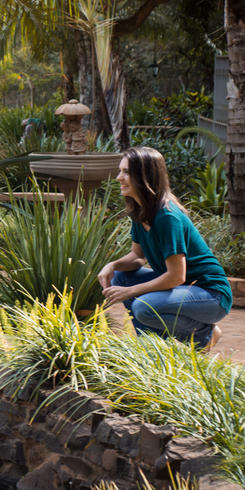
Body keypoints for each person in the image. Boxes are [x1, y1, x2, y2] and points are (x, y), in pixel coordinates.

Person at [97, 146, 231, 349]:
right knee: (120, 277)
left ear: (145, 176)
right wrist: (112, 265)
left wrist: (131, 291)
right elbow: (137, 257)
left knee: (143, 307)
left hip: (211, 295)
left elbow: (176, 276)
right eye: (120, 171)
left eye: (126, 172)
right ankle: (151, 347)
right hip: (183, 289)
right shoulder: (140, 211)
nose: (119, 178)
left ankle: (204, 335)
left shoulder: (167, 217)